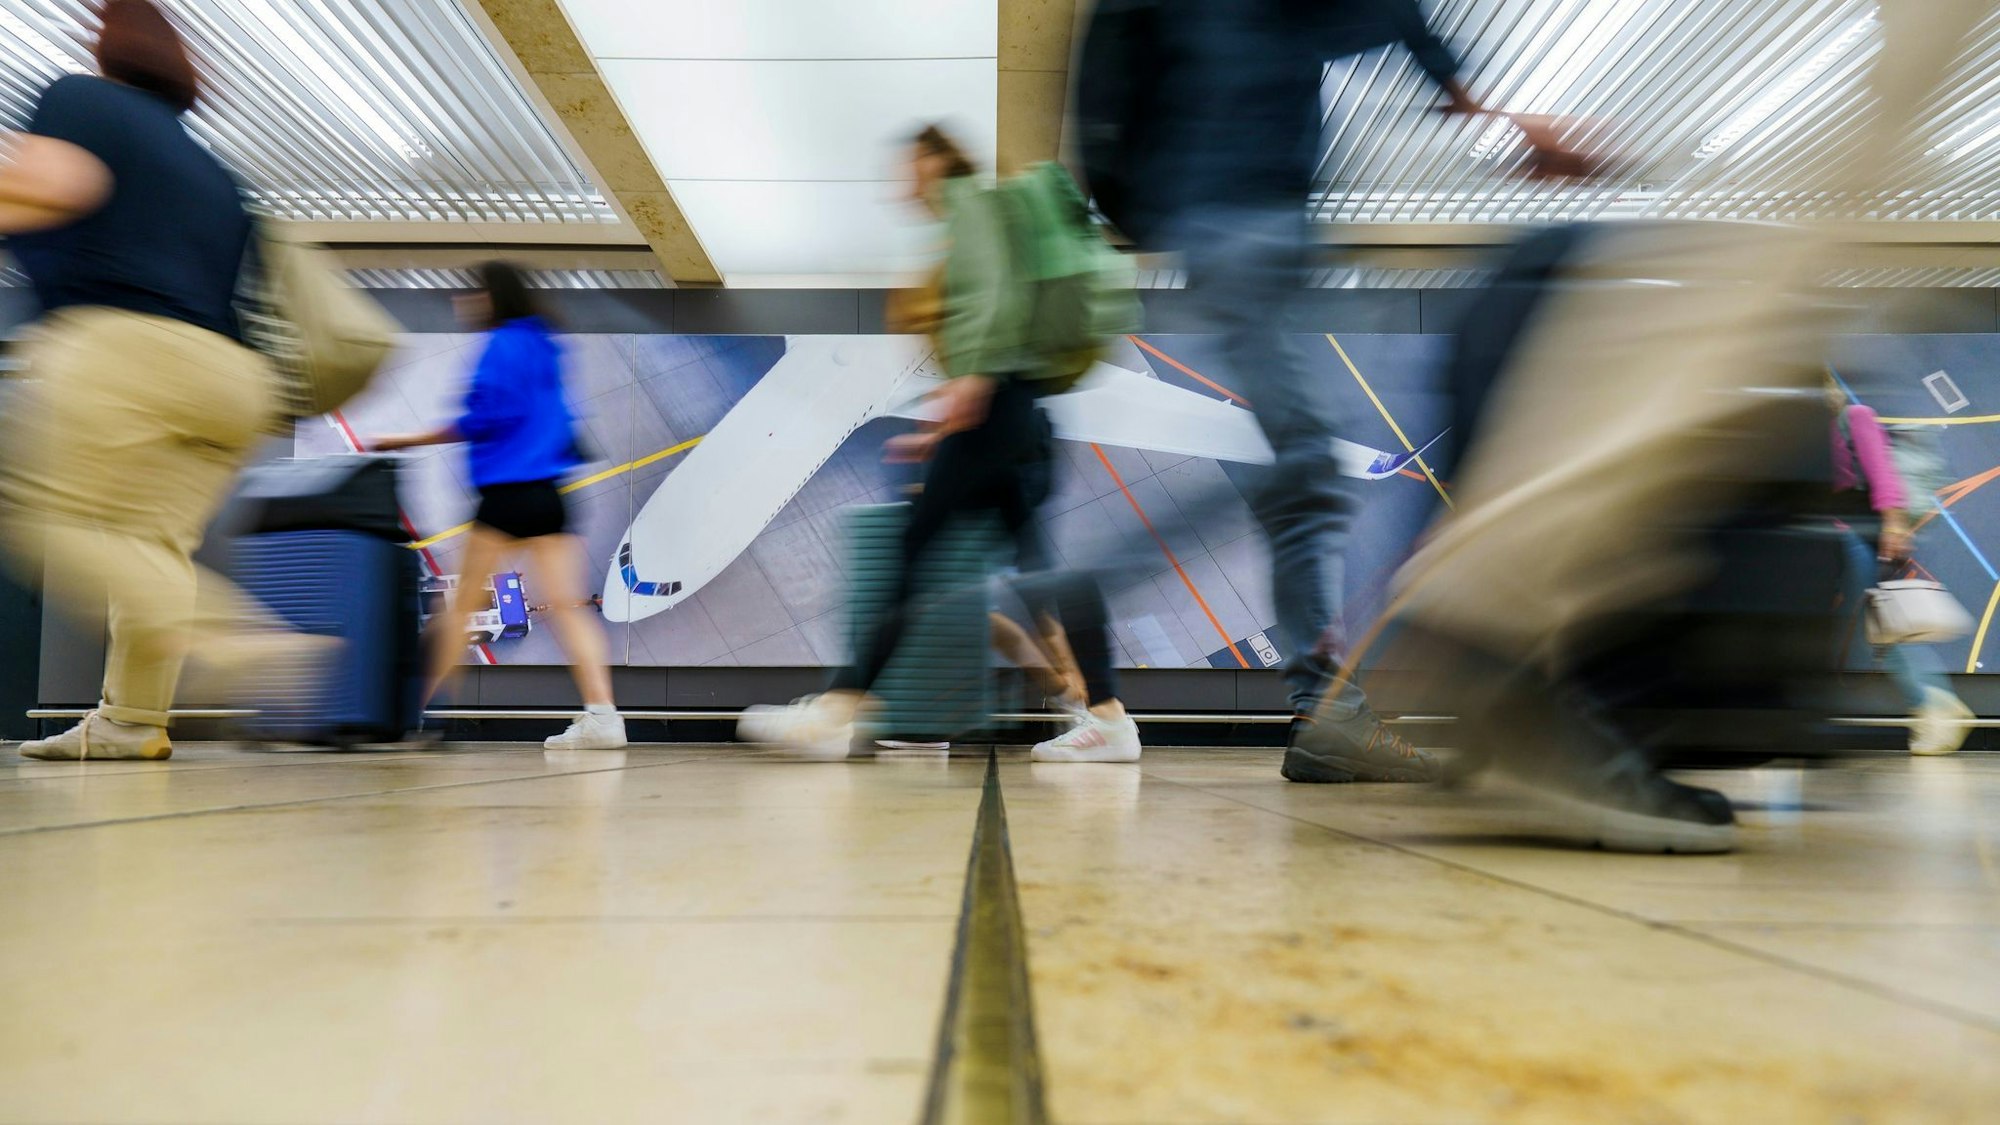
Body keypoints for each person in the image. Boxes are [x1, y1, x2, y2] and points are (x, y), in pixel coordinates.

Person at [1081, 0, 1587, 784]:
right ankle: (1325, 709)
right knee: (1309, 471)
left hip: (1245, 221)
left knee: (1307, 472)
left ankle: (1329, 710)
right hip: (1246, 222)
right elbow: (1387, 12)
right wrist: (1489, 111)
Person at [739, 125, 1141, 763]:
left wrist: (976, 377)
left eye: (908, 165)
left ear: (934, 160)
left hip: (998, 405)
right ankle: (1111, 720)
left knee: (914, 556)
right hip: (1016, 414)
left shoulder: (968, 203)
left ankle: (838, 709)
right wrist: (944, 425)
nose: (902, 182)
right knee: (1041, 571)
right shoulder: (978, 214)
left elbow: (994, 293)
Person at [0, 1, 319, 761]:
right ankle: (133, 720)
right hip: (233, 382)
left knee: (36, 510)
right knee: (150, 545)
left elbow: (56, 184)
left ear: (107, 45)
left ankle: (230, 636)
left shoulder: (81, 99)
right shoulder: (213, 172)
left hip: (125, 353)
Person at [371, 263, 626, 752]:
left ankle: (407, 718)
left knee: (461, 607)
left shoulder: (500, 345)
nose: (462, 302)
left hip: (507, 496)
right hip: (550, 494)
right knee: (568, 608)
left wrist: (405, 439)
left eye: (470, 293)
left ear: (490, 296)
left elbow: (481, 420)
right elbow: (563, 419)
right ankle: (604, 717)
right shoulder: (544, 343)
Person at [1827, 376, 1973, 755]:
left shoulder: (1854, 417)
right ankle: (1936, 702)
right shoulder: (1807, 434)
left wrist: (1894, 525)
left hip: (1855, 539)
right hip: (1830, 541)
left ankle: (1934, 702)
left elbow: (1883, 476)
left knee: (1881, 628)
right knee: (1874, 629)